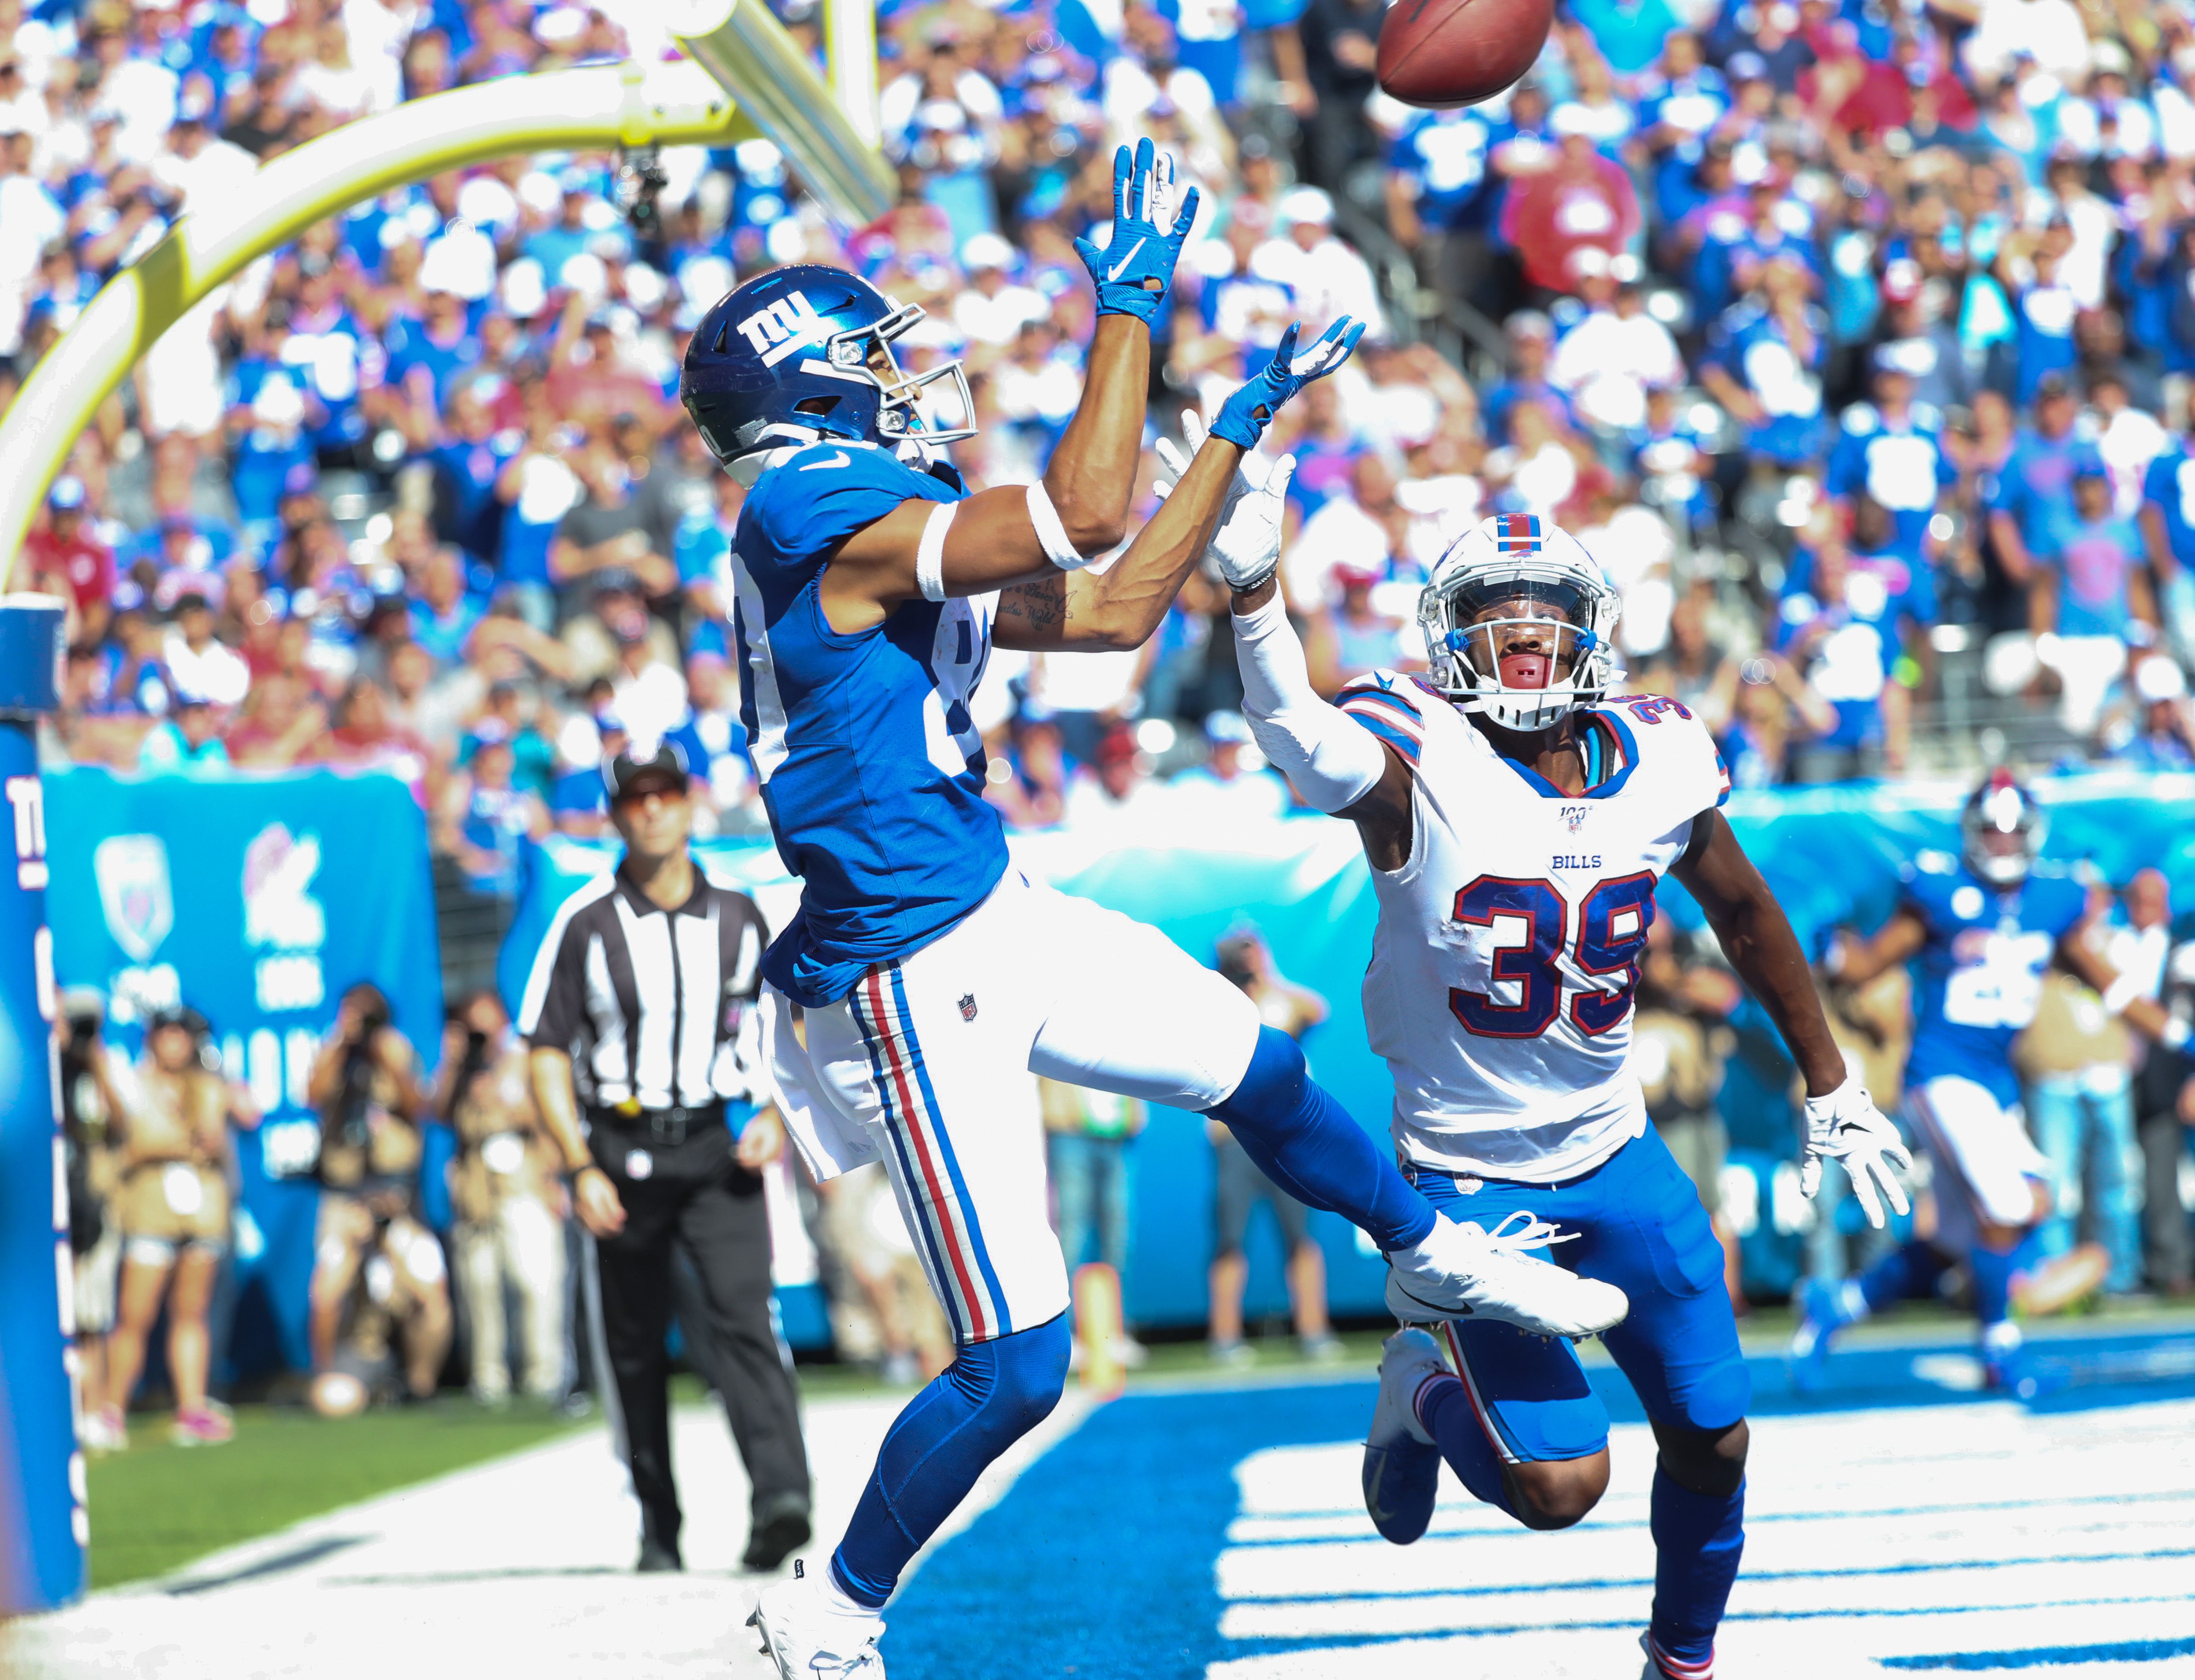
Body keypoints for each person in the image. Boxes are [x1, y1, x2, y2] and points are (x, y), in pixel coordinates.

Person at [686, 142, 1624, 1678]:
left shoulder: (857, 507)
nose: (902, 378)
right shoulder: (805, 502)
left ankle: (1428, 1245)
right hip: (902, 971)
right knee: (1016, 1366)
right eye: (871, 360)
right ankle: (831, 1608)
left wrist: (1235, 438)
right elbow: (1076, 506)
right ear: (805, 394)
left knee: (1255, 1060)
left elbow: (1114, 604)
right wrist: (1128, 297)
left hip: (988, 902)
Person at [1222, 504, 1916, 1680]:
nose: (1525, 633)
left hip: (1616, 1152)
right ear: (1452, 636)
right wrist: (1252, 601)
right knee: (1558, 1487)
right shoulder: (1414, 756)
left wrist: (1830, 1079)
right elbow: (1293, 729)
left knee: (1716, 1437)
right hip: (1470, 1179)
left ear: (1595, 630)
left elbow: (1742, 911)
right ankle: (1423, 1383)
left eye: (1546, 610)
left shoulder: (1662, 752)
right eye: (1496, 612)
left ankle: (1680, 1662)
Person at [521, 740, 813, 1576]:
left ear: (689, 805)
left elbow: (791, 1024)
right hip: (621, 1150)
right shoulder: (586, 923)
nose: (651, 810)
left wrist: (775, 1109)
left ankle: (781, 1500)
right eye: (634, 798)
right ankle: (659, 1523)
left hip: (721, 1147)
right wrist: (577, 1164)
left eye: (664, 794)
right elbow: (544, 1048)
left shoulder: (745, 915)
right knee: (634, 1346)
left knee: (747, 1323)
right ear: (615, 815)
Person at [1799, 776, 2189, 1392]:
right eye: (1990, 831)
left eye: (2011, 831)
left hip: (1994, 1084)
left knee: (1963, 1233)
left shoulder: (2052, 899)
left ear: (2031, 834)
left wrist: (2174, 1034)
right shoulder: (1938, 891)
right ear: (1969, 833)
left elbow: (2108, 984)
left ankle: (1838, 1306)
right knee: (2008, 1207)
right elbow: (1865, 964)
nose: (2001, 844)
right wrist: (1828, 952)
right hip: (1941, 1072)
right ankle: (1996, 1347)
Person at [91, 1006, 236, 1448]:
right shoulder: (131, 1082)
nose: (176, 1044)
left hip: (200, 1211)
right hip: (151, 1209)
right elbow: (132, 1142)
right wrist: (179, 1143)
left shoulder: (209, 1085)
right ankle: (111, 1411)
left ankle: (191, 1409)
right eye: (167, 1034)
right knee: (136, 1314)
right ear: (152, 1038)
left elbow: (226, 1133)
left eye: (183, 1035)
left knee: (191, 1313)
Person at [307, 981, 452, 1408]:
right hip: (345, 1195)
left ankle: (419, 1381)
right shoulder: (332, 1052)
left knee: (420, 1287)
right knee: (334, 1285)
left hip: (395, 1192)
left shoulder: (397, 1050)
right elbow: (312, 1096)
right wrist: (341, 1043)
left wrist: (389, 1061)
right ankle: (330, 1375)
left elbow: (416, 1108)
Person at [1206, 929, 1342, 1364]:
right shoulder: (1215, 1000)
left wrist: (1268, 975)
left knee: (1300, 1237)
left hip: (1285, 1137)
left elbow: (1319, 1010)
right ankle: (1225, 1336)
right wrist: (1229, 979)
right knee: (1230, 1240)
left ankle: (1313, 1330)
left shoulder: (1280, 999)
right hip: (1235, 1139)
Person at [439, 990, 567, 1406]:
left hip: (523, 1179)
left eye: (485, 1025)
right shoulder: (458, 1068)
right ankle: (488, 1377)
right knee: (479, 1287)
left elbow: (551, 1114)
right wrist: (452, 1063)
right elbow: (434, 1111)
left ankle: (545, 1372)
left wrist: (502, 1101)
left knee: (536, 1281)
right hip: (476, 1188)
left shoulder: (524, 1060)